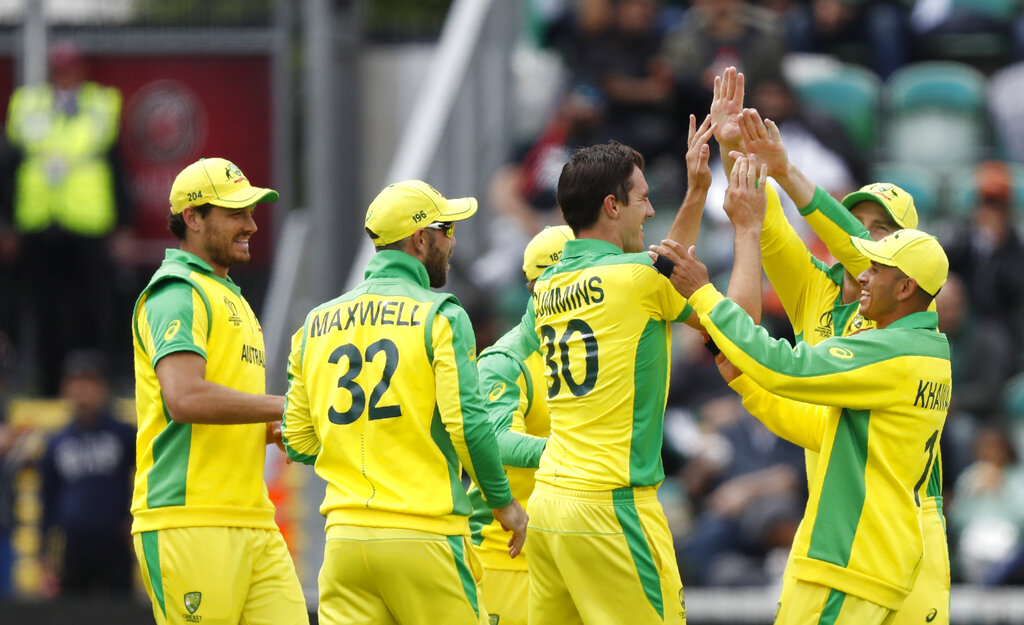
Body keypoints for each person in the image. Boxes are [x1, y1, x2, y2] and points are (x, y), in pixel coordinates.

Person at [710, 66, 951, 623]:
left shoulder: (913, 314)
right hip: (837, 520)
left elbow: (853, 248)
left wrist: (788, 171)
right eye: (860, 220)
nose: (868, 238)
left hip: (911, 522)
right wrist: (732, 152)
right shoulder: (816, 290)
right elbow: (761, 220)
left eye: (882, 231)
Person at [525, 121, 764, 624]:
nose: (651, 211)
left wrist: (697, 191)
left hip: (550, 505)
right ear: (612, 206)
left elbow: (656, 273)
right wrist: (747, 229)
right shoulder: (636, 282)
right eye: (642, 199)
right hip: (613, 507)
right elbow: (741, 327)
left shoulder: (548, 283)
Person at [652, 227, 951, 624]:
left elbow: (785, 366)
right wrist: (746, 384)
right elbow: (820, 431)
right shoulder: (931, 352)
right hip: (880, 562)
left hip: (848, 562)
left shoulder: (891, 352)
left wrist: (705, 294)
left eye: (877, 269)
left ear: (905, 289)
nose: (862, 275)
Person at [282, 180, 529, 625]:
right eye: (447, 230)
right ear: (421, 239)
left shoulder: (314, 324)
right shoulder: (442, 315)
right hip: (426, 535)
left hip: (345, 542)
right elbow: (468, 425)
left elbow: (299, 441)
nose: (453, 242)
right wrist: (503, 503)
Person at [130, 158, 307, 625]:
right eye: (234, 213)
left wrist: (269, 425)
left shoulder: (229, 295)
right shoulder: (176, 291)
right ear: (192, 218)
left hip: (252, 518)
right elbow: (184, 399)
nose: (250, 225)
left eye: (250, 212)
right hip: (188, 519)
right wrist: (287, 406)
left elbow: (218, 405)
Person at [1, 40, 134, 395]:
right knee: (44, 314)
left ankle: (94, 388)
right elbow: (10, 168)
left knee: (93, 311)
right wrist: (7, 223)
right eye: (58, 69)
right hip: (39, 225)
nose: (65, 76)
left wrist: (124, 225)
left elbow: (117, 167)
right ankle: (47, 389)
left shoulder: (100, 105)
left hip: (88, 226)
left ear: (81, 70)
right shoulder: (28, 106)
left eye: (71, 68)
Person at [468, 225, 573, 625]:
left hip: (574, 550)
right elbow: (496, 441)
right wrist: (576, 452)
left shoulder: (588, 348)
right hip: (507, 555)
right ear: (543, 288)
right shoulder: (504, 361)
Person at [39, 349, 134, 597]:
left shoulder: (124, 434)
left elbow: (151, 475)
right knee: (70, 615)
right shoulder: (57, 442)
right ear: (65, 388)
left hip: (116, 543)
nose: (82, 391)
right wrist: (44, 557)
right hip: (73, 547)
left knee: (121, 615)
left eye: (90, 382)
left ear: (103, 388)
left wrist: (135, 517)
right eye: (76, 382)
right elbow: (47, 500)